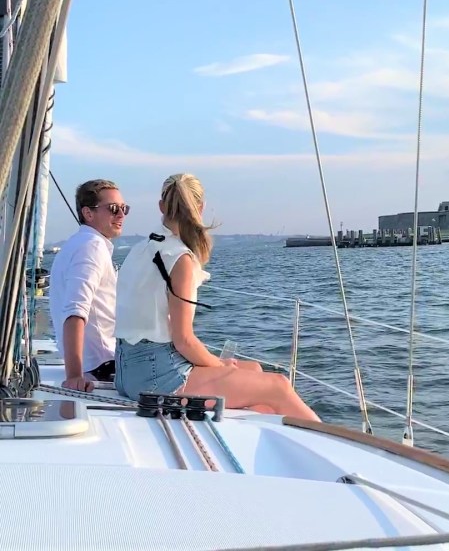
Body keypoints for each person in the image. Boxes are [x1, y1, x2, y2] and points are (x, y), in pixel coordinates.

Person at [114, 173, 320, 421]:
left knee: (253, 370)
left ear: (161, 206)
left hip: (126, 373)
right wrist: (219, 365)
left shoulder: (140, 249)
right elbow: (184, 342)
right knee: (278, 385)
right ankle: (336, 448)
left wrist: (219, 365)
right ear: (199, 208)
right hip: (158, 378)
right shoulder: (180, 259)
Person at [49, 179, 129, 392]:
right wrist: (74, 376)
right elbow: (75, 311)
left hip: (96, 363)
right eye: (113, 209)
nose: (121, 215)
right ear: (88, 213)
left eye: (124, 208)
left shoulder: (76, 244)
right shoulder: (92, 248)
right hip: (102, 366)